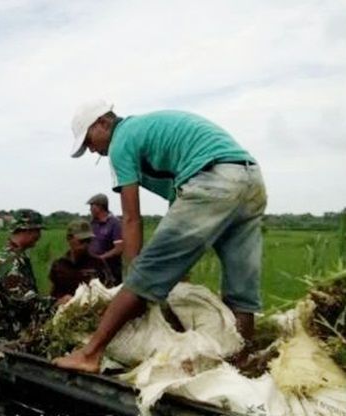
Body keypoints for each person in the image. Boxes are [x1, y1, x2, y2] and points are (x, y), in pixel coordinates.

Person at [55, 101, 266, 373]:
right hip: (250, 178)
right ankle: (241, 362)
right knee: (241, 284)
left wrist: (135, 277)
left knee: (146, 271)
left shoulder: (121, 141)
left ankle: (90, 354)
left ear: (103, 123)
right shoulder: (148, 133)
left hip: (213, 177)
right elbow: (178, 201)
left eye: (89, 142)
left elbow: (131, 218)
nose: (92, 150)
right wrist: (177, 267)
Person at [0, 209, 58, 347]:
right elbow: (23, 300)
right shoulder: (11, 261)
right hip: (9, 336)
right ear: (27, 230)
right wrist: (55, 304)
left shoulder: (16, 256)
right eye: (37, 231)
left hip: (15, 332)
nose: (39, 236)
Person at [49, 220, 113, 301]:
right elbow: (53, 294)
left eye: (88, 240)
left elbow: (109, 292)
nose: (86, 244)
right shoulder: (59, 265)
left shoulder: (98, 263)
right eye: (82, 240)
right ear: (69, 238)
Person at [87, 193, 123, 286]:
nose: (90, 209)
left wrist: (101, 258)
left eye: (92, 206)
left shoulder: (114, 224)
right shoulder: (92, 223)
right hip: (93, 269)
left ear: (100, 207)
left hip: (111, 269)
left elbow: (119, 249)